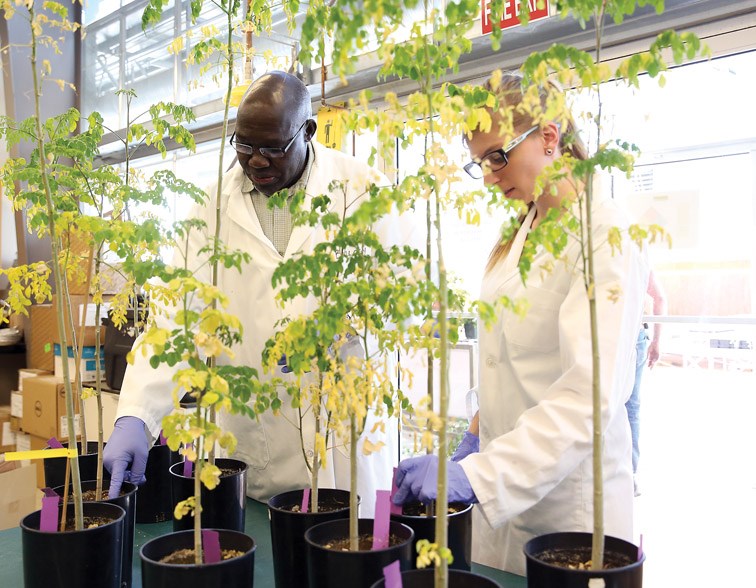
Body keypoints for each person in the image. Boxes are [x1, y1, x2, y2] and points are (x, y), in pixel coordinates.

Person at [103, 71, 406, 516]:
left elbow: (399, 306)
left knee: (348, 553)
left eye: (271, 148)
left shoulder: (365, 193)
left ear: (308, 132)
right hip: (254, 439)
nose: (256, 161)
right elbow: (174, 323)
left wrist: (336, 336)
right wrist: (135, 414)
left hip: (342, 438)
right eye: (244, 146)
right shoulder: (210, 209)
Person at [392, 72, 649, 575]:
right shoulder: (520, 230)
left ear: (549, 137)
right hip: (505, 499)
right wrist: (471, 441)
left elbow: (587, 397)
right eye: (480, 162)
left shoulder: (604, 232)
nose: (489, 175)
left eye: (497, 155)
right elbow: (508, 360)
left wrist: (480, 475)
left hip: (571, 510)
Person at [627, 269, 667, 495]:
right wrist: (657, 341)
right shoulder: (638, 258)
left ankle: (627, 473)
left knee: (624, 405)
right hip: (637, 336)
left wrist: (657, 341)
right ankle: (629, 474)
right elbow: (660, 298)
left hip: (629, 337)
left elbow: (660, 298)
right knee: (631, 406)